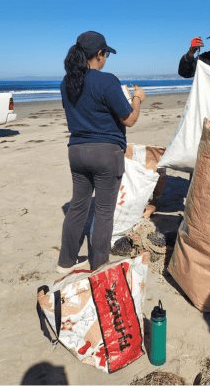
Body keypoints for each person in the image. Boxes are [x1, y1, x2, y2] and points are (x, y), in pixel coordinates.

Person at [57, 31, 145, 273]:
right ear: (99, 54)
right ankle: (99, 265)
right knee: (104, 211)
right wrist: (137, 99)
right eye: (105, 54)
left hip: (77, 151)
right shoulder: (106, 80)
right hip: (106, 153)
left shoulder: (66, 84)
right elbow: (128, 119)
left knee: (78, 206)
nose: (106, 58)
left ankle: (65, 262)